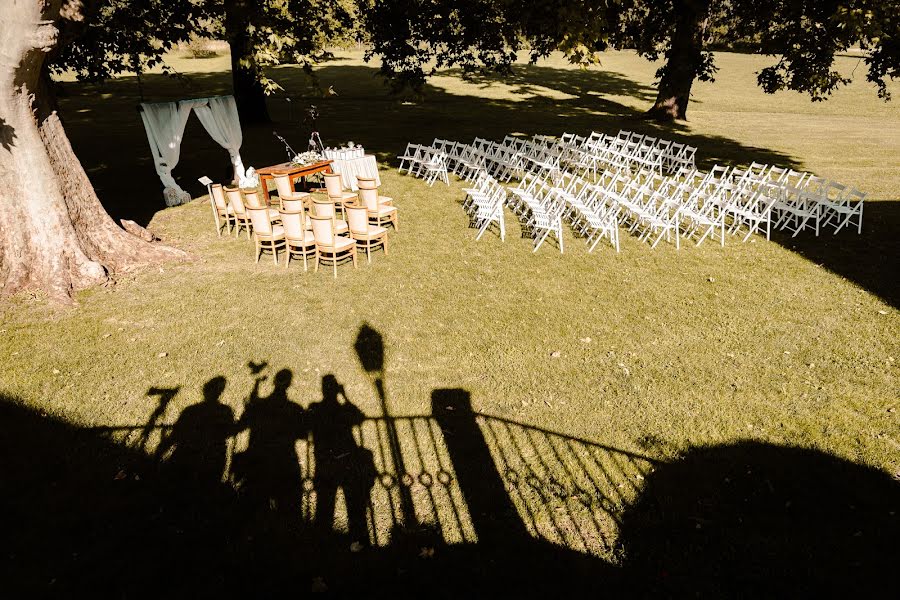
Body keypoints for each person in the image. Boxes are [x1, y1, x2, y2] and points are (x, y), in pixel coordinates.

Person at [307, 375, 375, 546]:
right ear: (336, 389)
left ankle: (322, 546)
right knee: (354, 507)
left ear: (323, 390)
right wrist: (345, 397)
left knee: (325, 507)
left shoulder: (315, 408)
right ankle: (359, 544)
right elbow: (360, 417)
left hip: (325, 463)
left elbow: (306, 428)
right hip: (346, 462)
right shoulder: (343, 409)